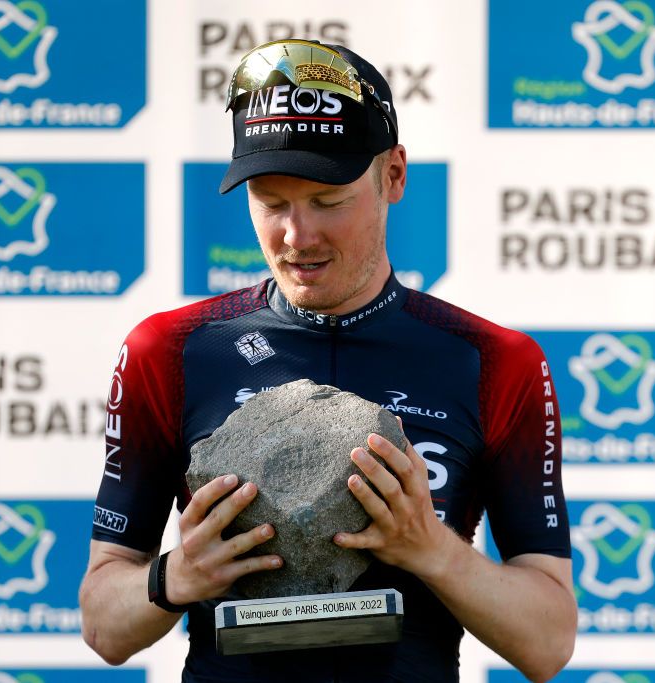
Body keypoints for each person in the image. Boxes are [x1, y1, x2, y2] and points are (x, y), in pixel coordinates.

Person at [80, 39, 576, 682]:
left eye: (328, 200)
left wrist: (433, 552)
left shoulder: (495, 361)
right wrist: (176, 577)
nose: (296, 236)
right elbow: (102, 625)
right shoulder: (171, 350)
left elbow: (548, 643)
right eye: (270, 200)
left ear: (394, 174)